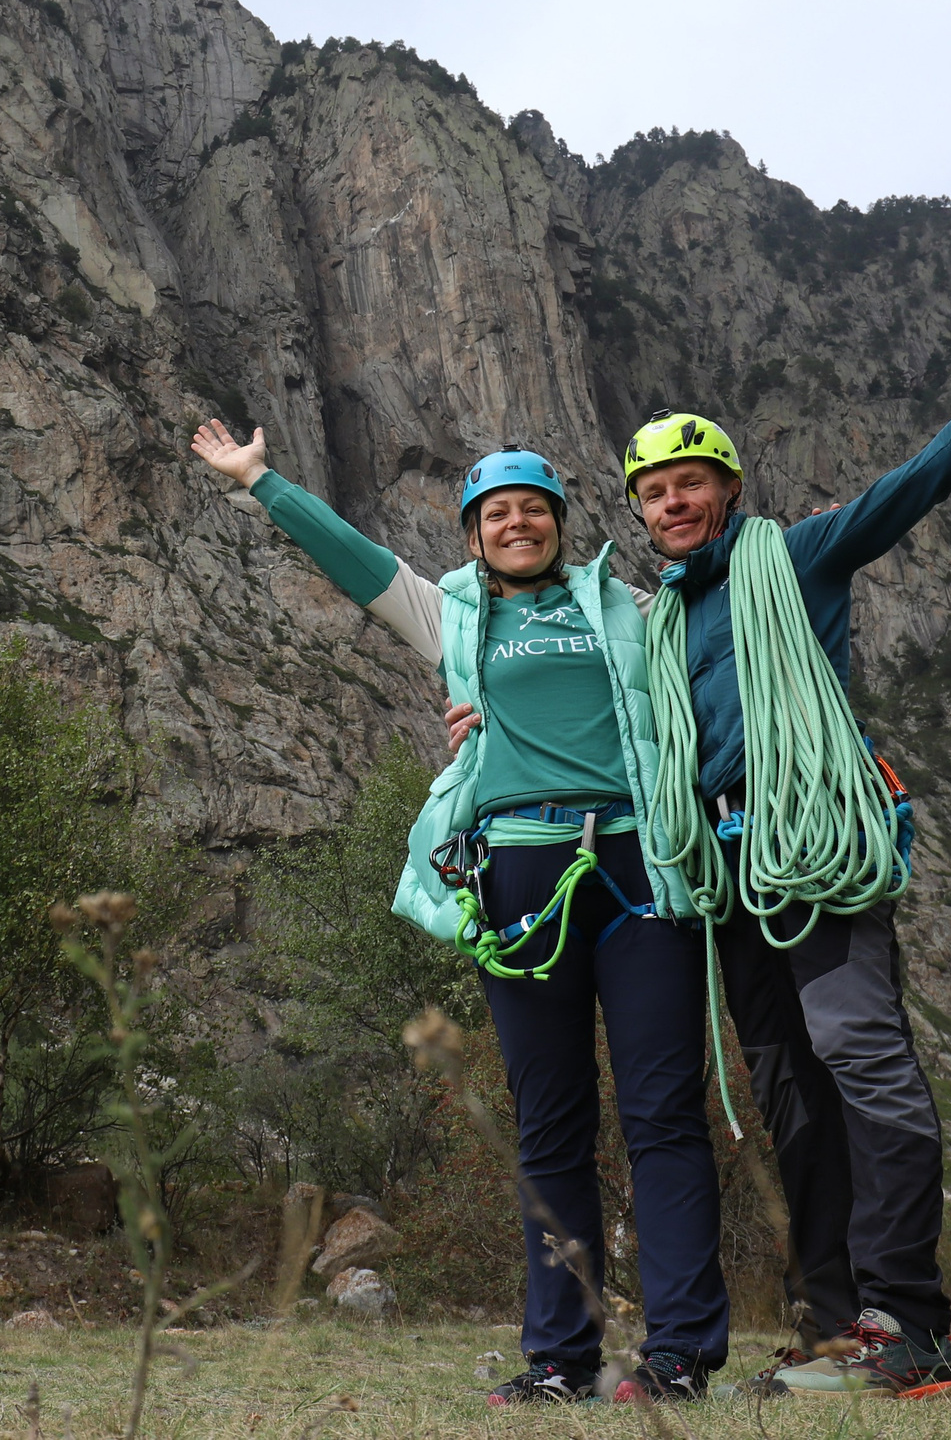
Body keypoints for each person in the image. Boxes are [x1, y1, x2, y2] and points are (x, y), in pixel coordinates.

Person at [446, 239, 951, 1399]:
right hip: (717, 870)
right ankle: (831, 1326)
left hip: (807, 846)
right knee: (788, 1092)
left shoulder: (798, 557)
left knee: (861, 1062)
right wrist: (484, 731)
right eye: (654, 491)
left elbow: (925, 478)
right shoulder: (649, 623)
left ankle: (908, 1323)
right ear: (639, 511)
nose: (673, 502)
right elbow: (595, 723)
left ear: (727, 491)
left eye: (691, 482)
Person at [189, 427, 725, 1405]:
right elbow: (357, 563)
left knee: (662, 1114)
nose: (514, 522)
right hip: (516, 873)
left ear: (560, 524)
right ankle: (560, 1357)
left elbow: (718, 647)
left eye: (531, 508)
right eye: (493, 513)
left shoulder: (630, 607)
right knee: (550, 1124)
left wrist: (780, 553)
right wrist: (260, 480)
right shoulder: (452, 617)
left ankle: (680, 1352)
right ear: (474, 536)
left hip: (635, 866)